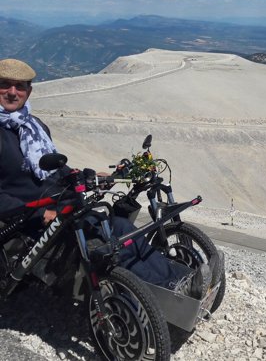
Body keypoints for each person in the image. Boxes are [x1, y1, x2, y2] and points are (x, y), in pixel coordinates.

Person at [0, 58, 212, 299]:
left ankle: (179, 280)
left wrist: (83, 175)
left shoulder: (34, 126)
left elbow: (54, 167)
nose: (12, 92)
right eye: (5, 85)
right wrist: (40, 214)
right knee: (105, 246)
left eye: (19, 86)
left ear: (29, 91)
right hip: (28, 218)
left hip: (61, 207)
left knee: (121, 226)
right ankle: (171, 290)